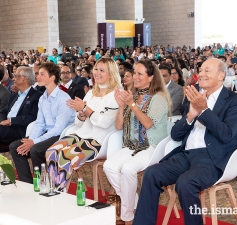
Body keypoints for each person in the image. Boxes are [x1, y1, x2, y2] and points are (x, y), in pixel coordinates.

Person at [133, 58, 237, 225]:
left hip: (212, 158)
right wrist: (190, 116)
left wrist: (204, 110)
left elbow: (226, 134)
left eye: (207, 70)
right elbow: (176, 135)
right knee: (151, 174)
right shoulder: (193, 96)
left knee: (186, 183)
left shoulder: (235, 100)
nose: (201, 73)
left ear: (221, 75)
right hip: (186, 155)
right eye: (200, 70)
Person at [103, 60, 172, 224]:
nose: (135, 77)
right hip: (132, 146)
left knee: (128, 169)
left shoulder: (159, 98)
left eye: (140, 74)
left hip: (152, 146)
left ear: (151, 77)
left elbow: (148, 124)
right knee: (109, 166)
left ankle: (128, 217)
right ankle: (133, 203)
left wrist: (132, 104)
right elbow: (119, 126)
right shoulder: (131, 96)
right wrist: (121, 106)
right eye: (134, 73)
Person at [45, 58, 121, 191]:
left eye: (102, 70)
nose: (97, 73)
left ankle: (58, 191)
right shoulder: (91, 93)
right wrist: (80, 113)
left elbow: (104, 123)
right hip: (81, 134)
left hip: (99, 140)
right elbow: (78, 123)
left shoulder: (116, 95)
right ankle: (53, 187)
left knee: (65, 156)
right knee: (51, 151)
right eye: (96, 69)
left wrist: (85, 109)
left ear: (112, 74)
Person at [10, 63, 75, 184]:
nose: (37, 77)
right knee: (15, 147)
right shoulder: (43, 97)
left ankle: (44, 183)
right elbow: (39, 123)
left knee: (36, 149)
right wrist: (31, 139)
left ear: (52, 77)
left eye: (41, 74)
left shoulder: (64, 98)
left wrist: (33, 142)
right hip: (48, 133)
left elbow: (58, 129)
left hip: (62, 136)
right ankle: (27, 183)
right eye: (37, 74)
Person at [0, 66, 42, 163]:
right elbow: (3, 112)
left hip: (18, 131)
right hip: (2, 130)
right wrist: (2, 121)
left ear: (25, 78)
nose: (13, 78)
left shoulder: (37, 96)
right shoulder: (13, 95)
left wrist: (10, 121)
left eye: (16, 76)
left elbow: (32, 117)